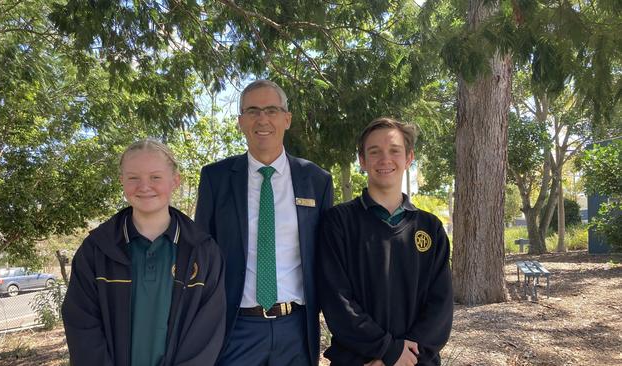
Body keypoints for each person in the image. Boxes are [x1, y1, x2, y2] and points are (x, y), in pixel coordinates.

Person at [195, 79, 333, 366]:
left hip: (296, 327)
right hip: (237, 328)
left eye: (271, 110)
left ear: (287, 118)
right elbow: (202, 253)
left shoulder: (316, 180)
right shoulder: (216, 178)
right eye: (253, 111)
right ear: (240, 121)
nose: (262, 119)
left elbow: (326, 256)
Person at [62, 139, 226, 366]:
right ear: (122, 182)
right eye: (133, 178)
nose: (144, 186)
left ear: (175, 181)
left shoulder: (203, 251)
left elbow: (208, 331)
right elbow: (82, 325)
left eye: (155, 177)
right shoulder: (96, 250)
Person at [318, 117, 453, 366]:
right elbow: (337, 301)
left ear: (408, 158)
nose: (385, 160)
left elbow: (440, 306)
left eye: (394, 151)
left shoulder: (430, 228)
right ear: (362, 160)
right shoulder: (338, 223)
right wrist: (388, 350)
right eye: (374, 152)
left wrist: (404, 356)